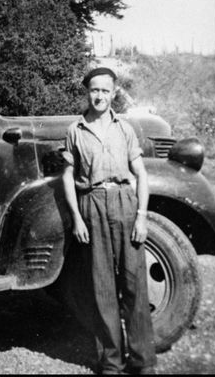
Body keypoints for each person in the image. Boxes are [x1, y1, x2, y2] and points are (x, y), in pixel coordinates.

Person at [61, 67, 157, 375]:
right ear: (86, 93)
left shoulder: (125, 128)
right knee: (101, 288)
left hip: (124, 204)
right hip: (92, 204)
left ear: (113, 93)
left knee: (134, 286)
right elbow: (67, 177)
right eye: (94, 90)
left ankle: (143, 362)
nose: (99, 95)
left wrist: (141, 217)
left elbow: (141, 174)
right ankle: (112, 363)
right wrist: (77, 217)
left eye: (105, 90)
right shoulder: (76, 130)